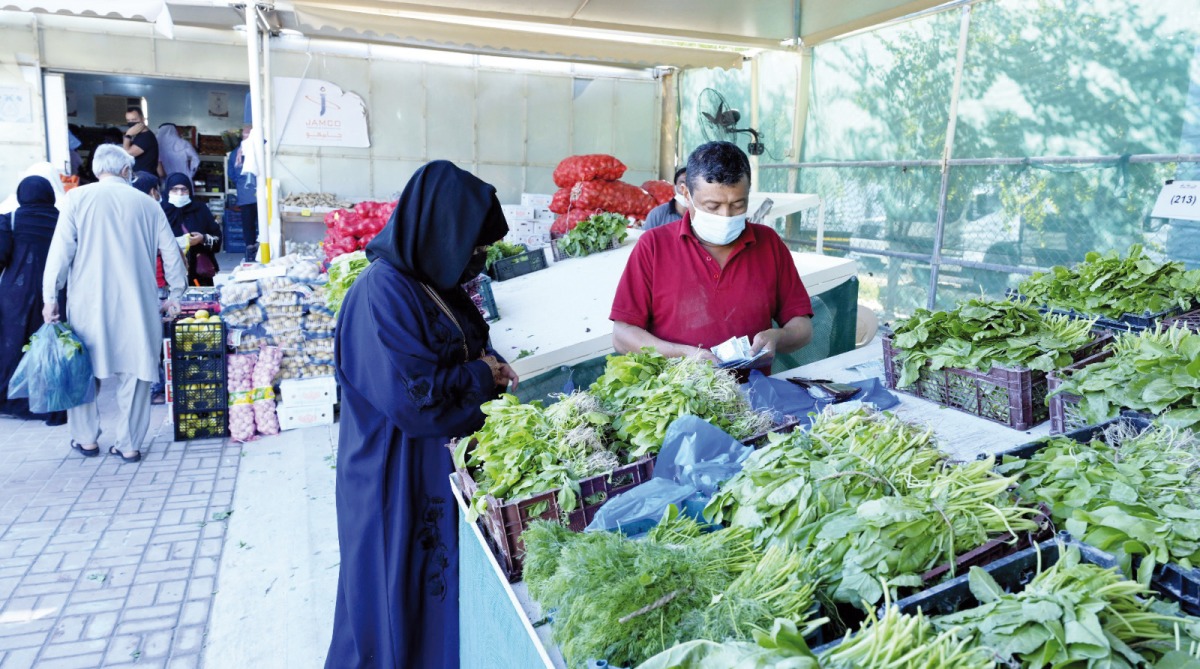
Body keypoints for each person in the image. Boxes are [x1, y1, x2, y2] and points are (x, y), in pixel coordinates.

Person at [325, 160, 519, 669]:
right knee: (394, 599)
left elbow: (472, 346)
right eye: (472, 246)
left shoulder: (436, 283)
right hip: (395, 477)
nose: (476, 258)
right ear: (439, 233)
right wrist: (483, 375)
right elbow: (416, 400)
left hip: (436, 466)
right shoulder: (380, 295)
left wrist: (489, 365)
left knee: (435, 597)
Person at [609, 141, 814, 375]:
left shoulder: (768, 244)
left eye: (738, 205)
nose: (725, 216)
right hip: (678, 397)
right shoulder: (654, 246)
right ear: (686, 194)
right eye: (712, 206)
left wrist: (779, 337)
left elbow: (803, 326)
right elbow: (622, 335)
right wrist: (681, 354)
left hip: (754, 394)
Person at [42, 144, 188, 463]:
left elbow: (60, 253)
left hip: (87, 304)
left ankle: (85, 439)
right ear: (126, 172)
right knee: (135, 372)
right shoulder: (148, 204)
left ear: (96, 170)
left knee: (83, 371)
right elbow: (172, 253)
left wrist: (50, 298)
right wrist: (176, 294)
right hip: (138, 304)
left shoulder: (76, 199)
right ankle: (129, 444)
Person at [0, 175, 68, 425]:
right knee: (51, 347)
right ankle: (52, 401)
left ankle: (14, 400)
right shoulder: (61, 218)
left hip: (17, 295)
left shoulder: (11, 220)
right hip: (55, 292)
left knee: (13, 345)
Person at [162, 173, 222, 286]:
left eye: (184, 189)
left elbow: (217, 239)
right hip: (169, 274)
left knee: (201, 302)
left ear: (190, 190)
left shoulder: (200, 209)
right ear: (167, 191)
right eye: (174, 190)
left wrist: (202, 239)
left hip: (199, 273)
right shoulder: (160, 211)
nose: (179, 193)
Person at [227, 125, 258, 262]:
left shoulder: (235, 153)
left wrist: (241, 182)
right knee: (264, 223)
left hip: (245, 194)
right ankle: (261, 249)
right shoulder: (259, 149)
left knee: (248, 224)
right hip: (260, 193)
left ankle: (250, 251)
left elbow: (231, 174)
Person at [123, 106, 160, 176]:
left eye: (134, 120)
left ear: (142, 119)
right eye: (128, 120)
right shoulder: (139, 135)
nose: (131, 123)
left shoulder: (146, 137)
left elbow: (128, 153)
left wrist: (128, 135)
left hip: (145, 178)